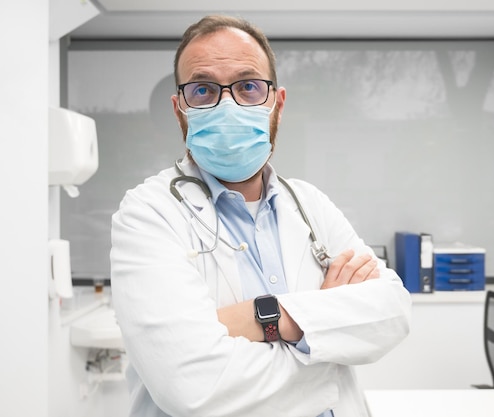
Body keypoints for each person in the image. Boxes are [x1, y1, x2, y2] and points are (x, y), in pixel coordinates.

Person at [110, 14, 411, 417]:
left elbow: (391, 310)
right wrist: (326, 351)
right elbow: (192, 385)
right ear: (180, 109)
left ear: (277, 104)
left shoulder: (309, 204)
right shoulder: (147, 213)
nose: (229, 105)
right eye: (203, 89)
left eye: (248, 86)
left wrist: (261, 318)